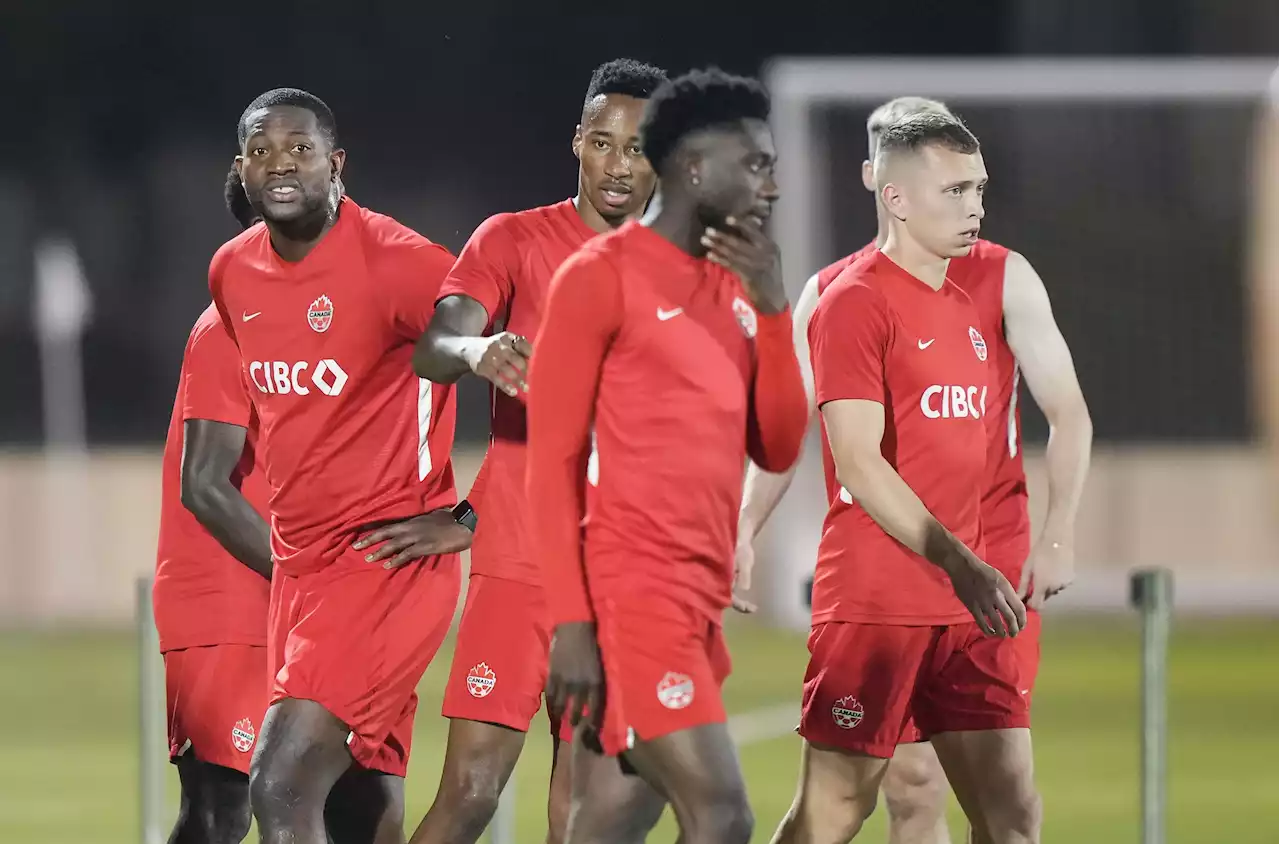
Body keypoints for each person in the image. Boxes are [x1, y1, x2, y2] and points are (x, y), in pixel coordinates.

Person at [739, 98, 1092, 843]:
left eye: (980, 190)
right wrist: (743, 530)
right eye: (958, 191)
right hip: (880, 596)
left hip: (982, 588)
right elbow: (842, 455)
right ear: (887, 189)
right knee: (845, 806)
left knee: (1012, 811)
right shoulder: (846, 299)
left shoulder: (1001, 278)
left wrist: (1052, 536)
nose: (977, 208)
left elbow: (1070, 414)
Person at [525, 67, 810, 844]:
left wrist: (777, 312)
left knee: (607, 827)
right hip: (631, 602)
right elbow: (549, 463)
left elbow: (779, 441)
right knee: (721, 815)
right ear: (692, 168)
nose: (772, 184)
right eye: (755, 164)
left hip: (695, 604)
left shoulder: (737, 288)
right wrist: (572, 626)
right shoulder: (599, 278)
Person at [409, 58, 669, 844]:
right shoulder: (513, 240)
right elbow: (434, 344)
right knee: (472, 792)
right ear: (577, 144)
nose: (618, 165)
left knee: (584, 818)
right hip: (521, 566)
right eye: (603, 142)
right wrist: (478, 348)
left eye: (638, 146)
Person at [209, 87, 475, 844]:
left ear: (337, 163)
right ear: (242, 167)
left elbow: (546, 362)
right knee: (359, 809)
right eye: (262, 151)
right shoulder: (232, 272)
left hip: (385, 563)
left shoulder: (402, 264)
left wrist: (474, 515)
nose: (281, 165)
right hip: (298, 574)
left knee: (282, 781)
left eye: (300, 149)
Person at [151, 170, 271, 844]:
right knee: (221, 807)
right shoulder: (228, 326)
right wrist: (303, 576)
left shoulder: (300, 331)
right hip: (223, 593)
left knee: (284, 793)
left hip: (273, 594)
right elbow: (203, 484)